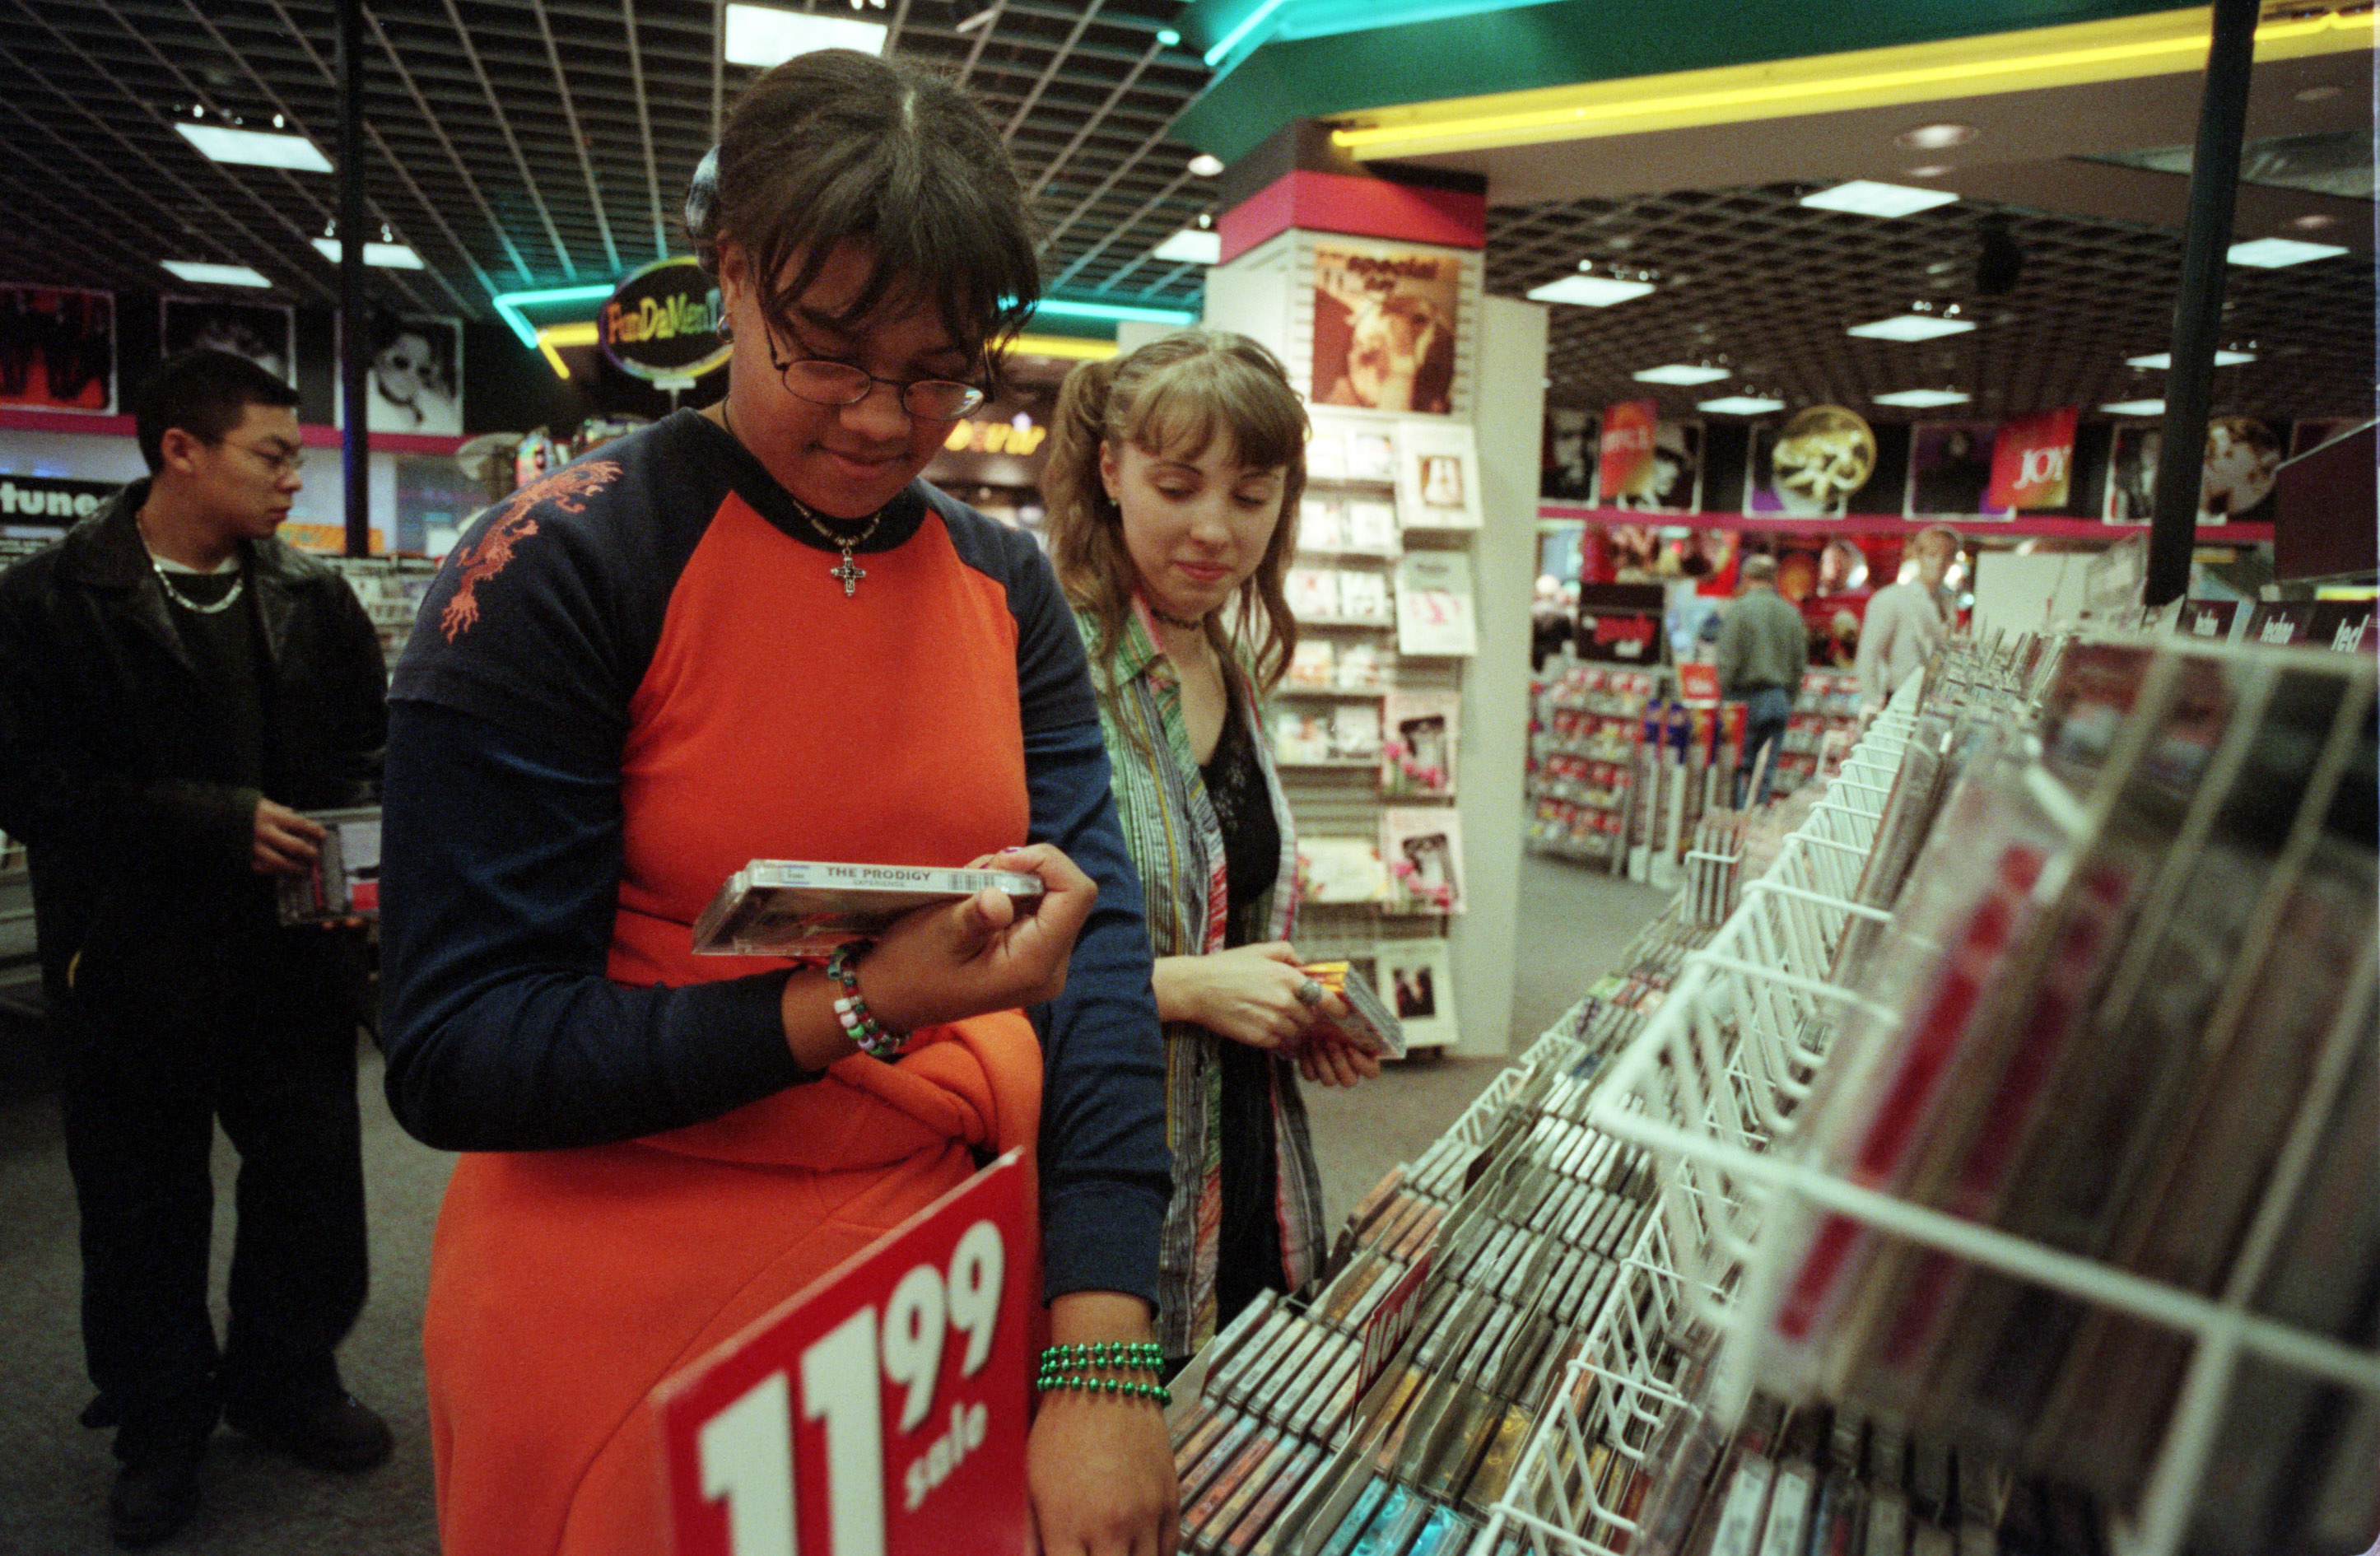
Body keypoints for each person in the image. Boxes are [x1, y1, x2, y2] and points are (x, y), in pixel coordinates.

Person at [374, 49, 1176, 1556]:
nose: (886, 419)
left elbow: (1100, 963)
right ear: (729, 277)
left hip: (939, 1291)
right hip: (625, 1305)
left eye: (939, 373)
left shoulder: (1004, 586)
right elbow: (454, 1047)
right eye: (831, 353)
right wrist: (847, 1011)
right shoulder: (557, 566)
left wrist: (1102, 1343)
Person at [0, 348, 391, 1549]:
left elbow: (363, 755)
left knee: (310, 1183)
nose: (295, 476)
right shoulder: (49, 600)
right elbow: (32, 787)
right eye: (272, 453)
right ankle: (159, 1425)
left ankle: (287, 1382)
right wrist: (212, 820)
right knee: (139, 1201)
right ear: (181, 448)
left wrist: (364, 860)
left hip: (292, 955)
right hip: (127, 961)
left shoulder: (310, 597)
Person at [1041, 329, 1381, 1363]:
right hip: (1100, 1186)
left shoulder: (1226, 662)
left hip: (1248, 1164)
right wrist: (1184, 989)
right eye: (1177, 485)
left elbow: (1227, 914)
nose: (1214, 531)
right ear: (1110, 470)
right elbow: (958, 966)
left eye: (1250, 495)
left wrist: (1295, 1003)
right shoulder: (1049, 664)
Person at [1713, 552, 1809, 808]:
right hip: (1778, 699)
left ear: (1746, 578)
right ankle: (1754, 825)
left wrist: (1723, 696)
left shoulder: (1739, 610)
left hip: (1743, 699)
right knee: (1764, 773)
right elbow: (1800, 663)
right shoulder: (1791, 614)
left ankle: (1733, 834)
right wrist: (1789, 697)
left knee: (1736, 770)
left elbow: (1728, 661)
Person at [1856, 524, 1961, 717]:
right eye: (1932, 554)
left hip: (1930, 700)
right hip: (1895, 696)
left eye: (1947, 557)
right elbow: (1868, 654)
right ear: (1919, 556)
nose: (1939, 563)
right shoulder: (1892, 598)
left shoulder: (1947, 601)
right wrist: (1871, 701)